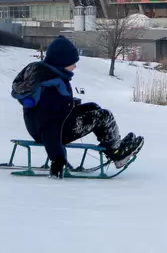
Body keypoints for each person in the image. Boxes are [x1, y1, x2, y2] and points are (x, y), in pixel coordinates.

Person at [11, 36, 144, 179]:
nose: (75, 66)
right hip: (51, 133)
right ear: (61, 61)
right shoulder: (52, 85)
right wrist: (58, 159)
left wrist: (69, 104)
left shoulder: (43, 74)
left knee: (93, 108)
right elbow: (49, 124)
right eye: (72, 62)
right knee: (103, 116)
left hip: (39, 127)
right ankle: (117, 154)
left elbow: (48, 110)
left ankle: (114, 145)